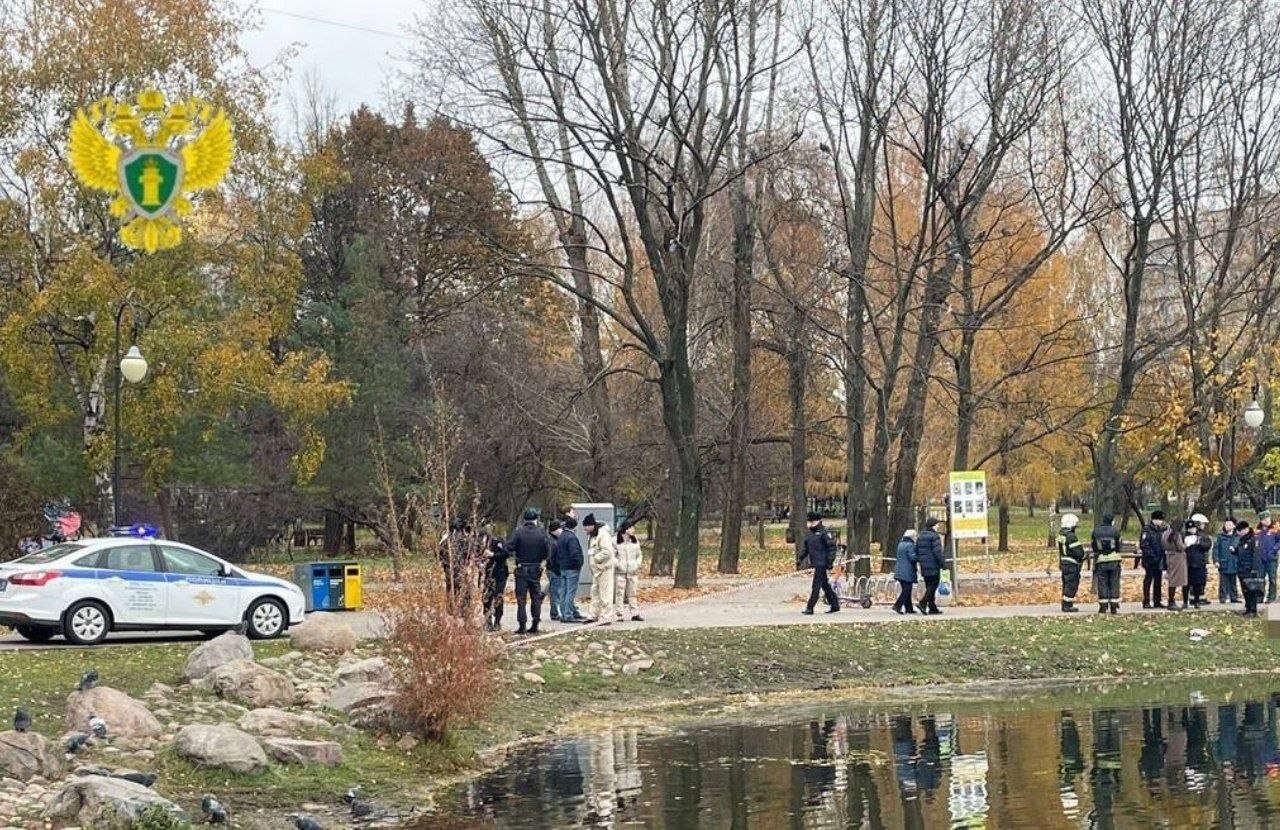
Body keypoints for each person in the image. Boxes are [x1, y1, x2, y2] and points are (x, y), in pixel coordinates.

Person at [506, 508, 552, 634]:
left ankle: (522, 625)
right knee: (535, 597)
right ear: (536, 519)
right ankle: (535, 623)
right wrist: (542, 561)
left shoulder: (518, 532)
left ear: (524, 519)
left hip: (521, 568)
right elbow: (548, 551)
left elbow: (509, 547)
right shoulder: (542, 533)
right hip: (536, 568)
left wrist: (515, 554)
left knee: (521, 599)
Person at [800, 512, 840, 615]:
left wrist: (829, 562)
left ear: (818, 521)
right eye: (809, 522)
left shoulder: (824, 533)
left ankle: (810, 607)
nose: (811, 524)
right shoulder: (810, 534)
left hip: (822, 563)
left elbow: (832, 548)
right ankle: (834, 605)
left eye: (812, 521)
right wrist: (800, 558)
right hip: (816, 562)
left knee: (816, 586)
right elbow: (806, 548)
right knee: (825, 585)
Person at [583, 513, 616, 624]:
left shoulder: (603, 535)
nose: (584, 529)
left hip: (604, 568)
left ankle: (606, 616)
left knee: (605, 593)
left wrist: (596, 559)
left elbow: (607, 551)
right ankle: (593, 614)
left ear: (591, 525)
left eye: (586, 526)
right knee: (595, 592)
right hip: (596, 570)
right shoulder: (592, 535)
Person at [556, 516, 587, 622]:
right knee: (571, 591)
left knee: (564, 591)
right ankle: (568, 614)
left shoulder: (561, 537)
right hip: (572, 568)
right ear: (574, 527)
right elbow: (575, 554)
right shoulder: (572, 538)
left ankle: (564, 613)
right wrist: (579, 563)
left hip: (563, 567)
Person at [1091, 514, 1123, 614]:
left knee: (1102, 583)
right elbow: (1118, 546)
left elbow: (1094, 546)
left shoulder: (1096, 531)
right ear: (1111, 521)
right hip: (1114, 560)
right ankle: (1114, 606)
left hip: (1101, 560)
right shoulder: (1116, 531)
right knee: (1114, 582)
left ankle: (1103, 607)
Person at [916, 517, 946, 615]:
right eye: (937, 525)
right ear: (933, 526)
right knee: (933, 585)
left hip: (924, 566)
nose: (938, 526)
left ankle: (932, 607)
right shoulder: (934, 536)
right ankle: (923, 603)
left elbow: (917, 550)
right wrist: (942, 564)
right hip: (933, 565)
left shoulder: (920, 536)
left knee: (929, 585)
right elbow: (937, 552)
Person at [1139, 511, 1168, 609]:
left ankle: (1157, 600)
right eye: (1159, 520)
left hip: (1160, 559)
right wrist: (1152, 555)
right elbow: (1144, 545)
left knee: (1158, 581)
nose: (1161, 522)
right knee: (1148, 580)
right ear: (1154, 520)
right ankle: (1146, 601)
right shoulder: (1147, 530)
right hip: (1150, 560)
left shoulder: (1162, 530)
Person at [1057, 514, 1086, 613]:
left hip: (1064, 562)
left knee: (1066, 583)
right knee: (1072, 584)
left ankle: (1067, 604)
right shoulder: (1071, 536)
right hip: (1072, 564)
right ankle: (1066, 605)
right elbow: (1078, 552)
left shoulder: (1061, 534)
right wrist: (1083, 556)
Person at [481, 536, 510, 631]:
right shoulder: (477, 544)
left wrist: (492, 554)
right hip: (487, 573)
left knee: (498, 596)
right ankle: (488, 620)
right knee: (486, 598)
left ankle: (497, 621)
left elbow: (506, 553)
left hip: (499, 573)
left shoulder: (497, 541)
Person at [615, 526, 643, 622]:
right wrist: (618, 564)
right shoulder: (616, 541)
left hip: (632, 571)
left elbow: (639, 555)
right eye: (631, 528)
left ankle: (634, 613)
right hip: (621, 571)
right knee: (620, 593)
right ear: (626, 530)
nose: (633, 530)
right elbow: (613, 555)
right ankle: (619, 613)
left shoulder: (635, 542)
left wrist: (637, 564)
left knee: (632, 592)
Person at [1185, 514, 1212, 609]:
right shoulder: (1185, 536)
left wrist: (1199, 543)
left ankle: (1198, 599)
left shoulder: (1202, 536)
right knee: (1187, 583)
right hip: (1188, 563)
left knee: (1199, 582)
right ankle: (1188, 600)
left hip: (1199, 562)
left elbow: (1207, 545)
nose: (1203, 526)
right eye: (1202, 524)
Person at [1237, 519, 1262, 617]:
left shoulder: (1253, 539)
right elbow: (1241, 552)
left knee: (1251, 590)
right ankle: (1248, 608)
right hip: (1242, 568)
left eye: (1240, 531)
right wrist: (1234, 550)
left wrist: (1254, 569)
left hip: (1249, 569)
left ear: (1245, 529)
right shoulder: (1242, 540)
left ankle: (1253, 610)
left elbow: (1256, 555)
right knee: (1245, 590)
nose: (1239, 533)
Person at [1162, 517, 1188, 610]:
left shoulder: (1165, 533)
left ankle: (1171, 600)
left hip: (1169, 556)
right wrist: (1186, 545)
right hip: (1178, 558)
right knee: (1175, 580)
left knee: (1172, 579)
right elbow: (1180, 547)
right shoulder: (1176, 534)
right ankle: (1171, 601)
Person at [893, 528, 919, 614]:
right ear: (912, 537)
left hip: (899, 570)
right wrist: (919, 556)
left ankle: (909, 608)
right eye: (915, 536)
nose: (916, 537)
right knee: (907, 589)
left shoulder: (901, 544)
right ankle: (897, 605)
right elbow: (913, 558)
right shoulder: (910, 545)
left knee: (906, 589)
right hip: (907, 571)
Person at [1215, 519, 1239, 604]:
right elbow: (1216, 549)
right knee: (1223, 582)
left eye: (1229, 524)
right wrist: (1216, 560)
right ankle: (1222, 597)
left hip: (1234, 562)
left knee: (1233, 581)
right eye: (1226, 524)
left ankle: (1234, 597)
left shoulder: (1237, 537)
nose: (1227, 526)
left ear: (1234, 526)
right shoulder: (1220, 536)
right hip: (1223, 561)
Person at [546, 521, 565, 622]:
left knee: (556, 591)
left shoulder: (555, 540)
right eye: (560, 528)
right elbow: (551, 558)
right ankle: (555, 613)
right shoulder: (552, 542)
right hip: (554, 570)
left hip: (554, 569)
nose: (561, 530)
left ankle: (556, 612)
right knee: (555, 592)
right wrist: (557, 569)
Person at [1258, 514, 1278, 603]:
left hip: (1271, 558)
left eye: (1268, 518)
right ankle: (1259, 597)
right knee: (1260, 579)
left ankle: (1271, 597)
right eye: (1265, 519)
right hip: (1261, 559)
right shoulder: (1257, 530)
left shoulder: (1275, 529)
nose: (1267, 521)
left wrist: (1274, 549)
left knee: (1272, 578)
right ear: (1261, 521)